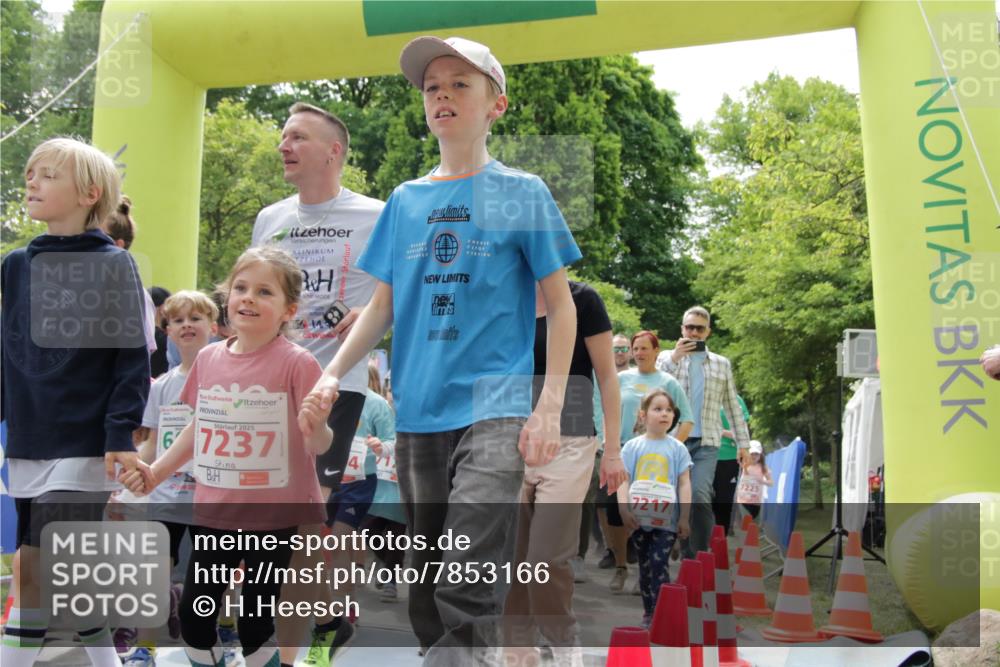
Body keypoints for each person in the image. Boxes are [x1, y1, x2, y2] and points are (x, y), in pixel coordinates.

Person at [301, 35, 580, 664]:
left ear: (496, 104)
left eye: (460, 84)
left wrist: (549, 407)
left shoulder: (523, 191)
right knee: (425, 586)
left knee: (466, 576)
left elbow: (561, 307)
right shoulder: (404, 200)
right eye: (432, 87)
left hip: (498, 403)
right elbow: (382, 306)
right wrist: (332, 372)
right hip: (419, 409)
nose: (442, 96)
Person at [122, 246, 333, 667]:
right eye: (240, 288)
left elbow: (319, 445)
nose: (249, 298)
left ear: (289, 310)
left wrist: (319, 424)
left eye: (264, 292)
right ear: (227, 298)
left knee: (255, 620)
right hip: (215, 510)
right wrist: (156, 472)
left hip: (273, 516)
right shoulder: (210, 359)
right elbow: (199, 426)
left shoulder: (299, 363)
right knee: (195, 616)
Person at [1, 137, 149, 667]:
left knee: (41, 565)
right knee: (50, 569)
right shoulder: (15, 264)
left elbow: (131, 358)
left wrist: (118, 434)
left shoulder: (115, 265)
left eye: (47, 174)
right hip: (28, 438)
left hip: (82, 442)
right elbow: (8, 350)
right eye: (30, 173)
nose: (31, 181)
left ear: (89, 192)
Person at [250, 101, 383, 665]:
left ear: (333, 152)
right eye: (283, 136)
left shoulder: (377, 214)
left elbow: (403, 287)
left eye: (297, 137)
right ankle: (327, 615)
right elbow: (250, 291)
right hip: (264, 386)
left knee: (305, 530)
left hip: (334, 386)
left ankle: (294, 653)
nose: (284, 145)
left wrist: (376, 309)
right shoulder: (269, 218)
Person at [504, 280, 626, 666]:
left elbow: (607, 377)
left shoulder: (582, 299)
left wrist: (613, 450)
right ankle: (517, 652)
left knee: (544, 559)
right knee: (512, 560)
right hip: (508, 442)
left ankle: (562, 642)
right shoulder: (503, 291)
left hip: (570, 443)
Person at [120, 290, 219, 667]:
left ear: (212, 325)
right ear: (167, 331)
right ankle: (146, 647)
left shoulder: (227, 374)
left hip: (212, 495)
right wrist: (134, 481)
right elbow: (148, 445)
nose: (186, 325)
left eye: (195, 318)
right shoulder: (161, 385)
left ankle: (218, 632)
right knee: (153, 571)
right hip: (167, 492)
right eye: (177, 320)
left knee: (211, 575)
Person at [657, 306, 750, 559]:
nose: (694, 333)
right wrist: (675, 357)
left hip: (707, 441)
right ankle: (668, 547)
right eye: (689, 327)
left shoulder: (722, 364)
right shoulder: (667, 358)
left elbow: (732, 405)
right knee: (671, 497)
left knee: (698, 494)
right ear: (682, 329)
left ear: (708, 331)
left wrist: (744, 444)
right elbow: (657, 389)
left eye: (699, 328)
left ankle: (695, 556)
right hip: (673, 441)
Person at [606, 331, 694, 592]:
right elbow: (606, 412)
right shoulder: (621, 379)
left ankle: (649, 569)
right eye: (636, 348)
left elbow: (687, 418)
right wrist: (607, 442)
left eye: (645, 348)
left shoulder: (668, 382)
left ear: (657, 351)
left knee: (655, 512)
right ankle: (621, 566)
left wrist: (669, 444)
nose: (640, 353)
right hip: (624, 452)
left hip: (658, 462)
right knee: (616, 511)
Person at [617, 389, 692, 629]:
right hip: (639, 520)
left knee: (659, 564)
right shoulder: (632, 447)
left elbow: (684, 482)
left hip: (666, 522)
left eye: (669, 410)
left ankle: (662, 615)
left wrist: (685, 518)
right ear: (642, 415)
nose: (665, 414)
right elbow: (623, 480)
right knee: (645, 565)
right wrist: (624, 510)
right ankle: (649, 612)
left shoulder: (678, 449)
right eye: (658, 409)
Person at [357, 364, 407, 604]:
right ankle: (386, 561)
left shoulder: (380, 404)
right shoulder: (369, 404)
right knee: (369, 528)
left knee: (397, 530)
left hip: (400, 478)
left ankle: (390, 578)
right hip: (376, 478)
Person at [713, 394, 750, 535]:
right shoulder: (701, 395)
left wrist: (721, 431)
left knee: (724, 499)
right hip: (705, 453)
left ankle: (720, 538)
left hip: (728, 456)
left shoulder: (736, 400)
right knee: (702, 496)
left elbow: (742, 433)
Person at [736, 440, 773, 518]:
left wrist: (763, 481)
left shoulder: (763, 467)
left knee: (753, 522)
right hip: (743, 499)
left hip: (756, 501)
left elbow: (771, 483)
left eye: (756, 454)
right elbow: (738, 454)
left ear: (760, 455)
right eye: (752, 454)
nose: (754, 456)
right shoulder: (744, 463)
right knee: (747, 519)